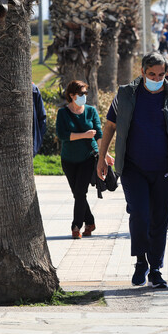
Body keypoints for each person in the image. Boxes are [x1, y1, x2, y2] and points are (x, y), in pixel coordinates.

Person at [96, 52, 168, 289]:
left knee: (160, 219)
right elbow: (110, 125)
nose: (157, 78)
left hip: (163, 168)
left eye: (161, 74)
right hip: (133, 168)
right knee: (140, 214)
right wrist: (102, 157)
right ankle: (140, 260)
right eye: (152, 74)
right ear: (142, 71)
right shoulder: (126, 94)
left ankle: (156, 268)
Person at [56, 80, 111, 239]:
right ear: (72, 95)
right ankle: (90, 222)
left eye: (85, 93)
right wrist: (84, 135)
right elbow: (62, 135)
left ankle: (76, 226)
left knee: (80, 191)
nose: (84, 97)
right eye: (81, 94)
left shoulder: (91, 111)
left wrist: (104, 154)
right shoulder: (63, 113)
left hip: (88, 157)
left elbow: (99, 134)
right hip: (68, 159)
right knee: (77, 194)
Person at [32, 83, 47, 157]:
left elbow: (42, 118)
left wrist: (38, 141)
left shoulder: (33, 90)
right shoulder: (34, 89)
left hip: (31, 145)